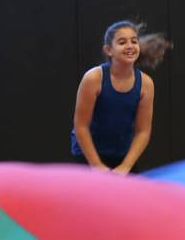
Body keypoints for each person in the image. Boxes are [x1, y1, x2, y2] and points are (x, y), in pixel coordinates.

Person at [71, 20, 170, 174]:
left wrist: (126, 166)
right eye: (122, 42)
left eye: (134, 41)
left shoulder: (146, 84)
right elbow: (81, 126)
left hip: (121, 155)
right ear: (109, 50)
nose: (130, 46)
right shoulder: (94, 78)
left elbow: (143, 132)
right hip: (88, 154)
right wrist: (96, 165)